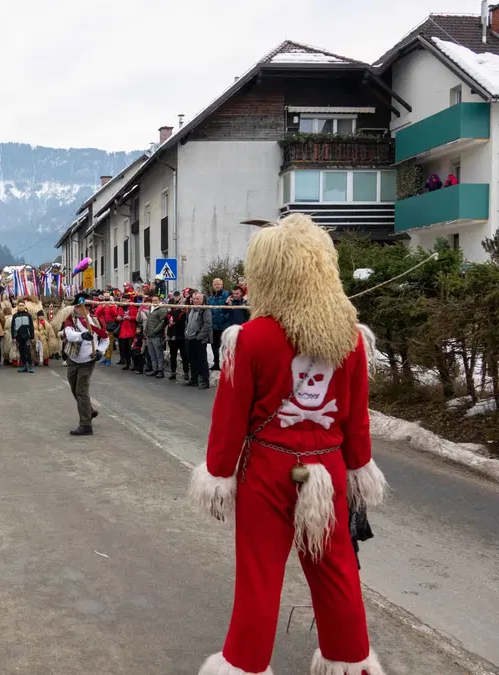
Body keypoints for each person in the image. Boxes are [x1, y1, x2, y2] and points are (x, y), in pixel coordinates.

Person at [189, 214, 387, 675]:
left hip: (268, 473)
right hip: (329, 471)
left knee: (259, 577)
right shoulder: (351, 340)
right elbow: (356, 420)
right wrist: (358, 467)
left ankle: (245, 665)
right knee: (337, 573)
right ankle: (351, 662)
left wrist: (220, 474)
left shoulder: (251, 339)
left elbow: (230, 419)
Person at [59, 293, 109, 436]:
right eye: (78, 306)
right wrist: (82, 335)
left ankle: (86, 425)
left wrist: (100, 351)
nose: (79, 309)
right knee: (74, 389)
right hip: (73, 359)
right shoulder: (71, 320)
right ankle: (89, 410)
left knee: (81, 391)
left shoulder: (96, 321)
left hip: (88, 360)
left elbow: (105, 339)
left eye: (83, 307)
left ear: (87, 307)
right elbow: (68, 335)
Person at [184, 291, 212, 389]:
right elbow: (187, 322)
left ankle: (205, 381)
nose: (195, 300)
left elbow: (207, 325)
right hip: (189, 338)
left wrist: (199, 337)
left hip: (199, 339)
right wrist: (186, 333)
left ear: (202, 300)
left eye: (197, 299)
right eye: (194, 298)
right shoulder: (191, 309)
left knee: (202, 360)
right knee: (192, 360)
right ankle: (194, 379)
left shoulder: (205, 310)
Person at [206, 278, 230, 371]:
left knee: (225, 346)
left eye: (218, 284)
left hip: (224, 325)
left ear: (222, 285)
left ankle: (225, 364)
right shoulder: (211, 297)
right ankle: (216, 363)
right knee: (214, 345)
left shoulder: (226, 295)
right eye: (215, 284)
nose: (217, 286)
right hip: (214, 325)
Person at [167, 296, 189, 381]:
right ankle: (173, 372)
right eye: (180, 303)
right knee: (173, 355)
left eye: (184, 303)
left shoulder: (187, 313)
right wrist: (170, 320)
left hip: (183, 337)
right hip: (173, 336)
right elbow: (168, 317)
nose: (182, 305)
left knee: (184, 356)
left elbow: (181, 322)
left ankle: (186, 372)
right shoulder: (174, 312)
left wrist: (175, 321)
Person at [144, 295, 166, 378]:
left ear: (159, 300)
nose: (154, 302)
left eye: (156, 300)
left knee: (158, 354)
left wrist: (155, 331)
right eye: (153, 300)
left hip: (157, 335)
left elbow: (163, 322)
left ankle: (160, 370)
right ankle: (155, 369)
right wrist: (146, 331)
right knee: (152, 354)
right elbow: (148, 321)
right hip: (149, 335)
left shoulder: (162, 309)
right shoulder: (151, 309)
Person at [11, 300, 35, 374]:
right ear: (17, 306)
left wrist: (32, 336)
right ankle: (24, 366)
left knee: (28, 351)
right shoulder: (15, 316)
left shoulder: (28, 315)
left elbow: (31, 326)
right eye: (20, 305)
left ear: (24, 306)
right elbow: (13, 327)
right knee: (21, 352)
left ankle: (30, 366)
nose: (21, 307)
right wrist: (13, 337)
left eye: (22, 305)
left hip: (27, 336)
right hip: (19, 337)